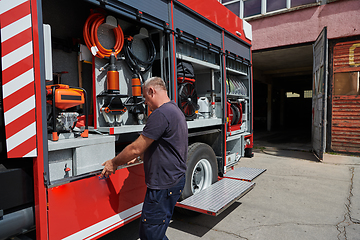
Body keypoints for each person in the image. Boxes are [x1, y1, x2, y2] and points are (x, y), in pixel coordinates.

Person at [101, 76, 188, 240]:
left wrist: (113, 162)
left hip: (163, 184)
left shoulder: (160, 114)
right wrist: (143, 155)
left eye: (145, 98)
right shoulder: (174, 110)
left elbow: (135, 148)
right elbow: (165, 143)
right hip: (173, 181)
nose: (146, 103)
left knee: (150, 235)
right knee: (153, 232)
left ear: (151, 91)